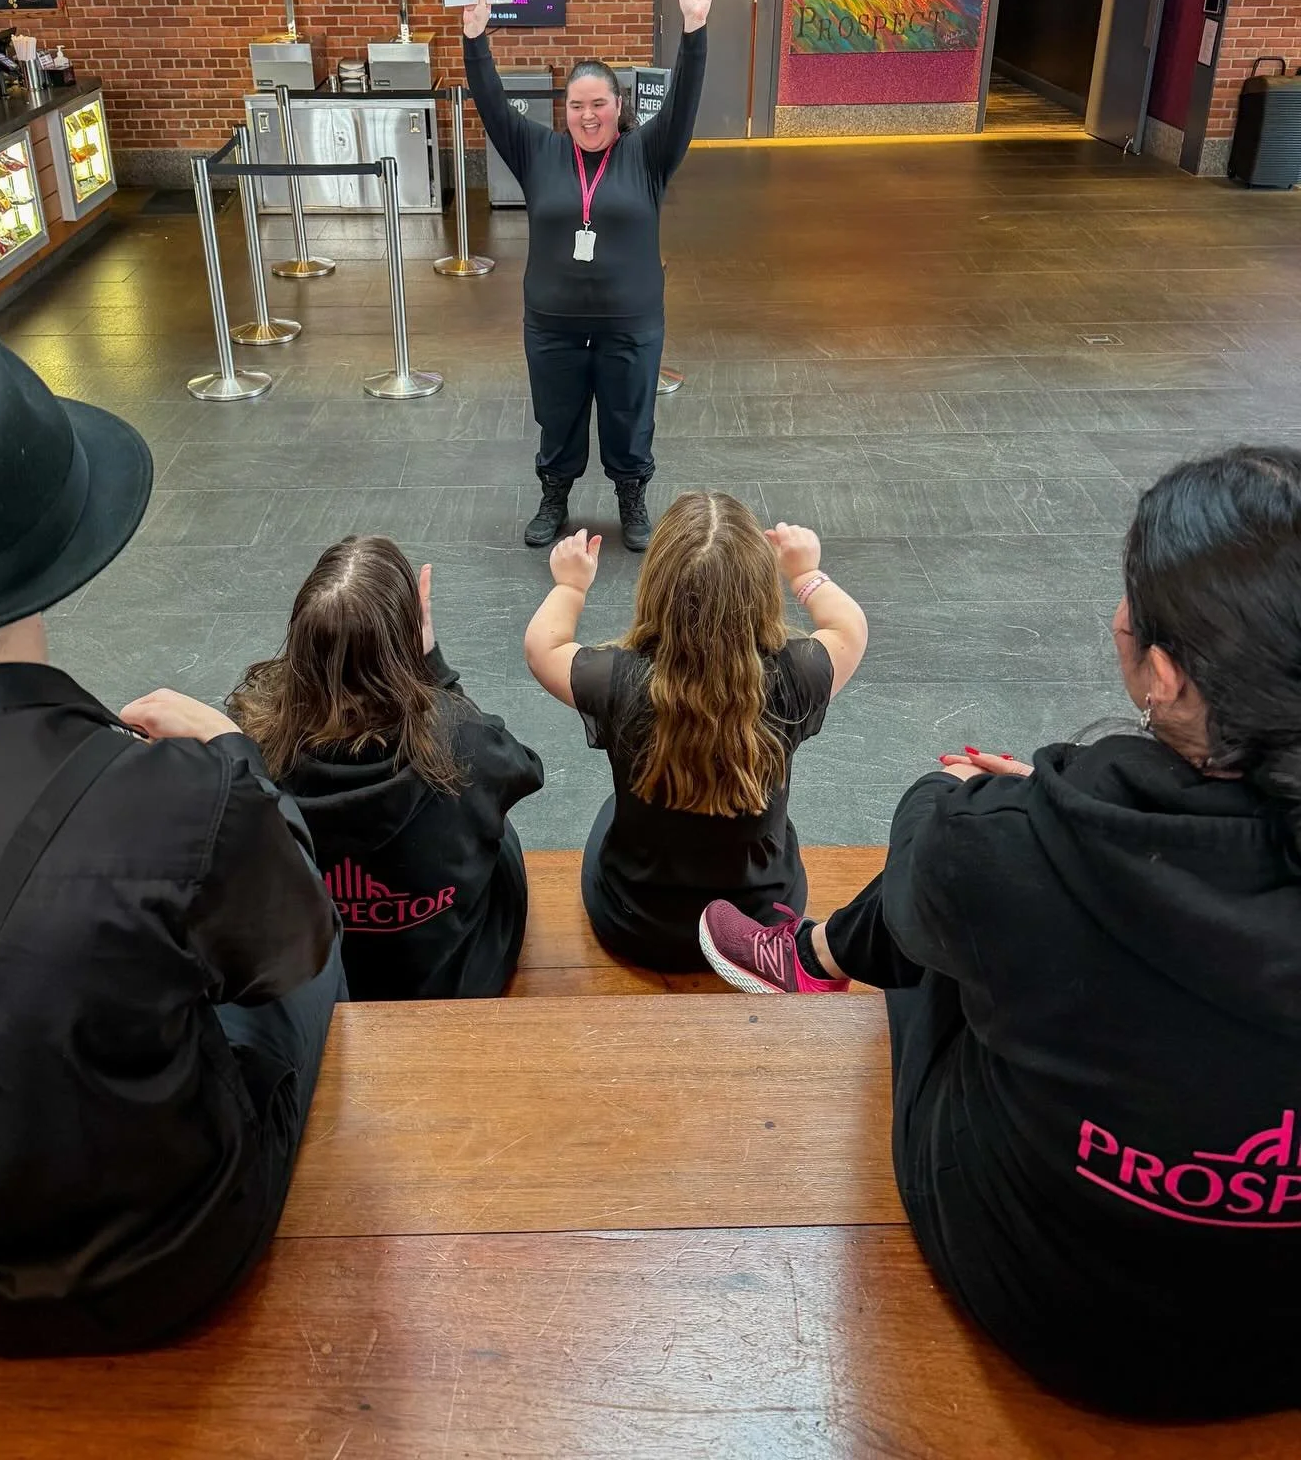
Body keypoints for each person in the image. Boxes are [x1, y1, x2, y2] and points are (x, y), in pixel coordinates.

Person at [698, 447, 1301, 1422]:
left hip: (1051, 1302)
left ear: (1163, 673)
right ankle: (816, 953)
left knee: (947, 915)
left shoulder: (1008, 845)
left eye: (1130, 601)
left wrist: (1012, 818)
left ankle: (809, 954)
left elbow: (932, 832)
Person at [0, 317, 340, 1358]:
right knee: (302, 960)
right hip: (162, 1265)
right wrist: (242, 773)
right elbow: (288, 948)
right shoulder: (171, 795)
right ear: (52, 544)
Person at [524, 492, 868, 972]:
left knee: (607, 811)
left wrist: (570, 587)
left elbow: (544, 646)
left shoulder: (614, 681)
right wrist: (806, 573)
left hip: (637, 923)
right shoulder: (799, 676)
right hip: (761, 920)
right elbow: (849, 627)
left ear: (657, 588)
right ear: (760, 593)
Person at [462, 0, 715, 554]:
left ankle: (631, 496)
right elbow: (493, 106)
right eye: (577, 105)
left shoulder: (647, 154)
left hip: (630, 321)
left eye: (599, 103)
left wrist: (694, 33)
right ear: (565, 110)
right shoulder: (538, 151)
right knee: (558, 416)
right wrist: (476, 40)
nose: (588, 115)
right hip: (553, 322)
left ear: (617, 104)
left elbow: (682, 106)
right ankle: (555, 496)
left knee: (631, 414)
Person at [227, 536, 542, 1001]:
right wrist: (437, 673)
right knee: (490, 804)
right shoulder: (461, 736)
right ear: (408, 638)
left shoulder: (252, 742)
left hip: (324, 980)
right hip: (452, 980)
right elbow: (525, 771)